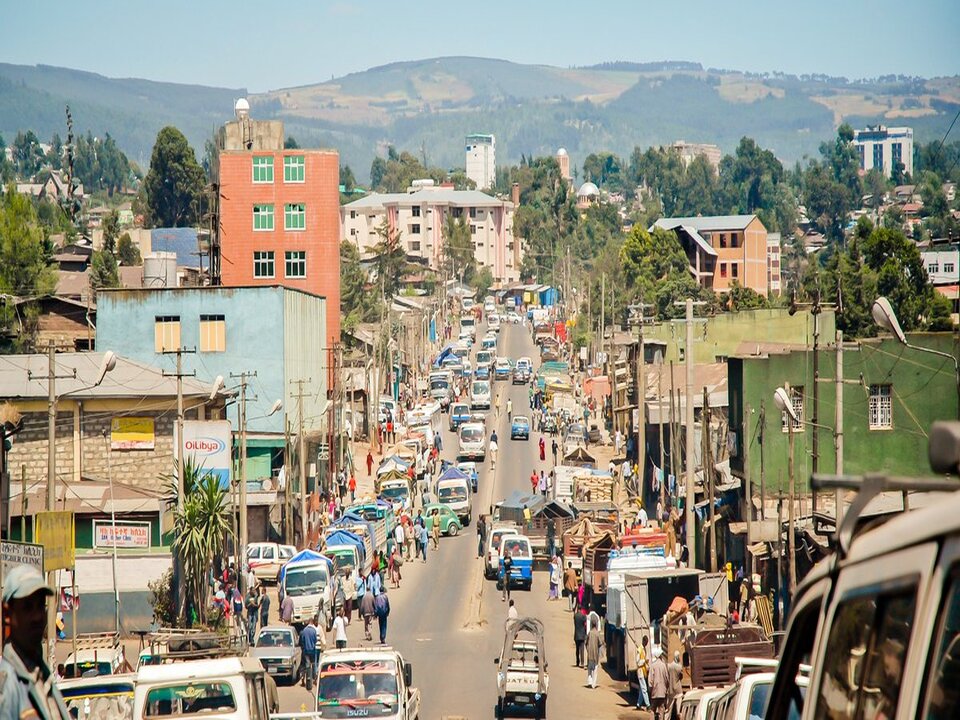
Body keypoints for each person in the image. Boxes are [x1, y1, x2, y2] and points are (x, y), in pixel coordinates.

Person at [0, 565, 70, 720]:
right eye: (27, 607)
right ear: (7, 614)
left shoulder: (43, 677)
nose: (37, 616)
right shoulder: (7, 686)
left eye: (40, 606)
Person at [299, 616, 323, 690]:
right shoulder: (313, 631)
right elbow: (315, 640)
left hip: (306, 650)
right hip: (313, 650)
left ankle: (305, 678)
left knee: (306, 665)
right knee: (313, 664)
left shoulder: (304, 631)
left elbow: (302, 641)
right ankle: (314, 679)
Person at [648, 646, 669, 720]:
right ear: (660, 656)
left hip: (655, 692)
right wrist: (666, 689)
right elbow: (667, 679)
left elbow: (650, 680)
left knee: (652, 710)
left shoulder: (652, 666)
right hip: (662, 693)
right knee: (661, 710)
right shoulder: (663, 665)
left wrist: (650, 690)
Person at [585, 616, 603, 688]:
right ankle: (593, 684)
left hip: (589, 654)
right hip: (595, 655)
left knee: (589, 668)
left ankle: (589, 681)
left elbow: (586, 643)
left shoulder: (589, 633)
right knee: (595, 670)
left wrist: (588, 649)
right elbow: (600, 643)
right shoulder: (597, 634)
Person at [635, 635, 651, 710]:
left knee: (642, 689)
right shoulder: (639, 650)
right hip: (640, 671)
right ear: (644, 641)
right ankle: (648, 705)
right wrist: (644, 661)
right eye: (646, 642)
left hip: (643, 671)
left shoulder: (644, 649)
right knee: (644, 689)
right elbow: (638, 662)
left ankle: (638, 704)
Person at [667, 650, 684, 718]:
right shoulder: (679, 667)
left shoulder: (669, 666)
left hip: (670, 689)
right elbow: (681, 676)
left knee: (669, 708)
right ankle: (678, 715)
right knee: (678, 706)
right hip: (678, 689)